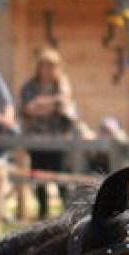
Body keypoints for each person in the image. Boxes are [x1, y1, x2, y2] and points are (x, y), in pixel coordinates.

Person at [18, 47, 78, 219]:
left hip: (58, 140)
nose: (47, 69)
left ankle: (68, 215)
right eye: (44, 65)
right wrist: (48, 106)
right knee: (38, 178)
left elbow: (64, 105)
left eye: (51, 66)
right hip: (37, 140)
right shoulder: (30, 86)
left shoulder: (61, 84)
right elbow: (26, 108)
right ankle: (42, 213)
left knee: (62, 179)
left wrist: (40, 103)